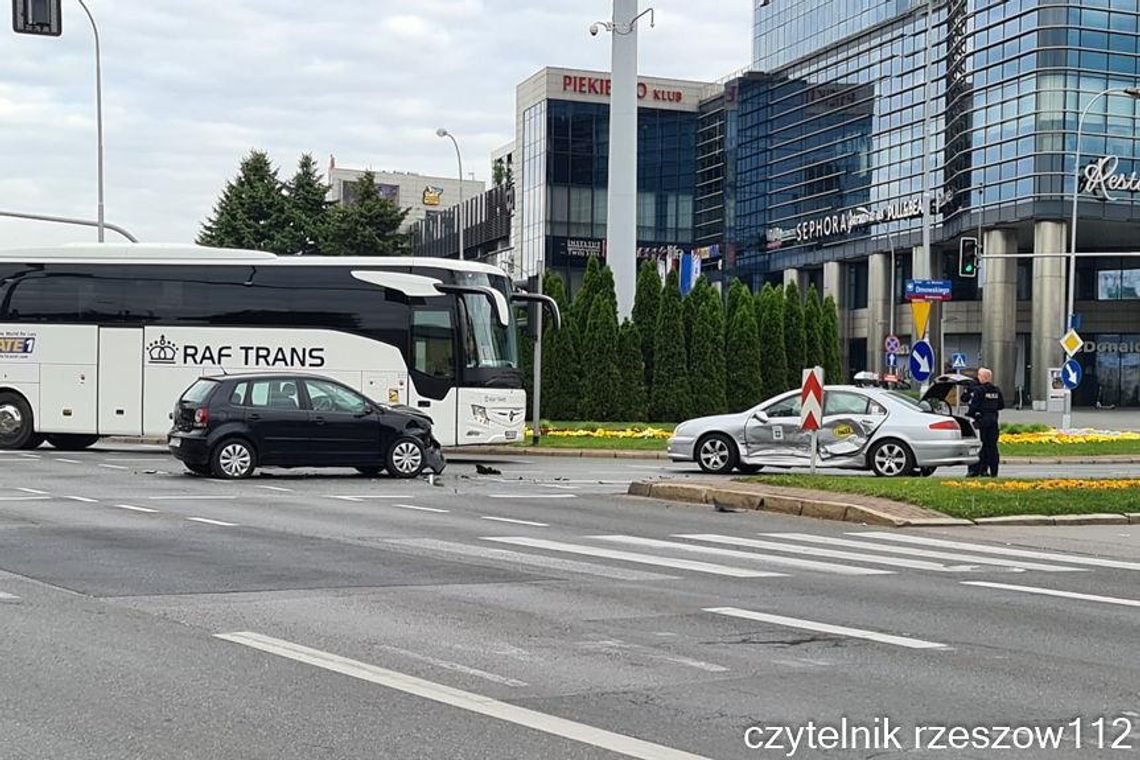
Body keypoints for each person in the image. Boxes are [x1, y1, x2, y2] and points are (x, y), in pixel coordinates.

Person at [968, 367, 1005, 477]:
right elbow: (1001, 405)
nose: (977, 378)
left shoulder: (979, 391)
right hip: (993, 422)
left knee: (980, 447)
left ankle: (976, 470)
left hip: (981, 423)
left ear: (983, 377)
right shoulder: (996, 390)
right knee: (992, 448)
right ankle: (993, 471)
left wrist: (971, 414)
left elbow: (973, 408)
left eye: (979, 376)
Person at [960, 374, 982, 476]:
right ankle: (982, 470)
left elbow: (963, 399)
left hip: (975, 419)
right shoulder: (984, 389)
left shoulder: (974, 390)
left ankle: (973, 470)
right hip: (983, 419)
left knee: (974, 445)